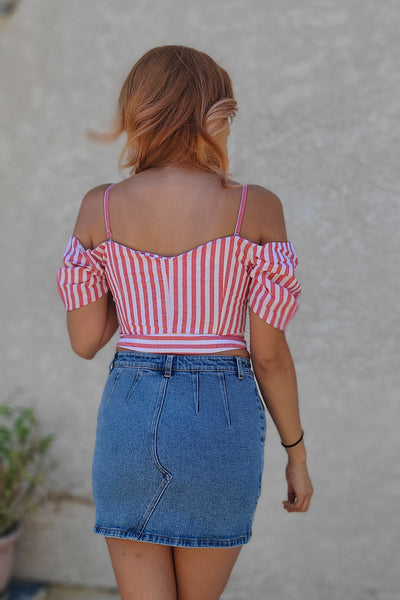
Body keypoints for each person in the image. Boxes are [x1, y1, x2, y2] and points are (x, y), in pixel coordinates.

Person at [57, 45, 313, 600]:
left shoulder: (98, 207)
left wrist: (141, 282)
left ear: (138, 112)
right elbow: (268, 355)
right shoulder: (255, 207)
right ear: (213, 115)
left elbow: (85, 341)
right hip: (218, 422)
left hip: (128, 418)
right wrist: (297, 453)